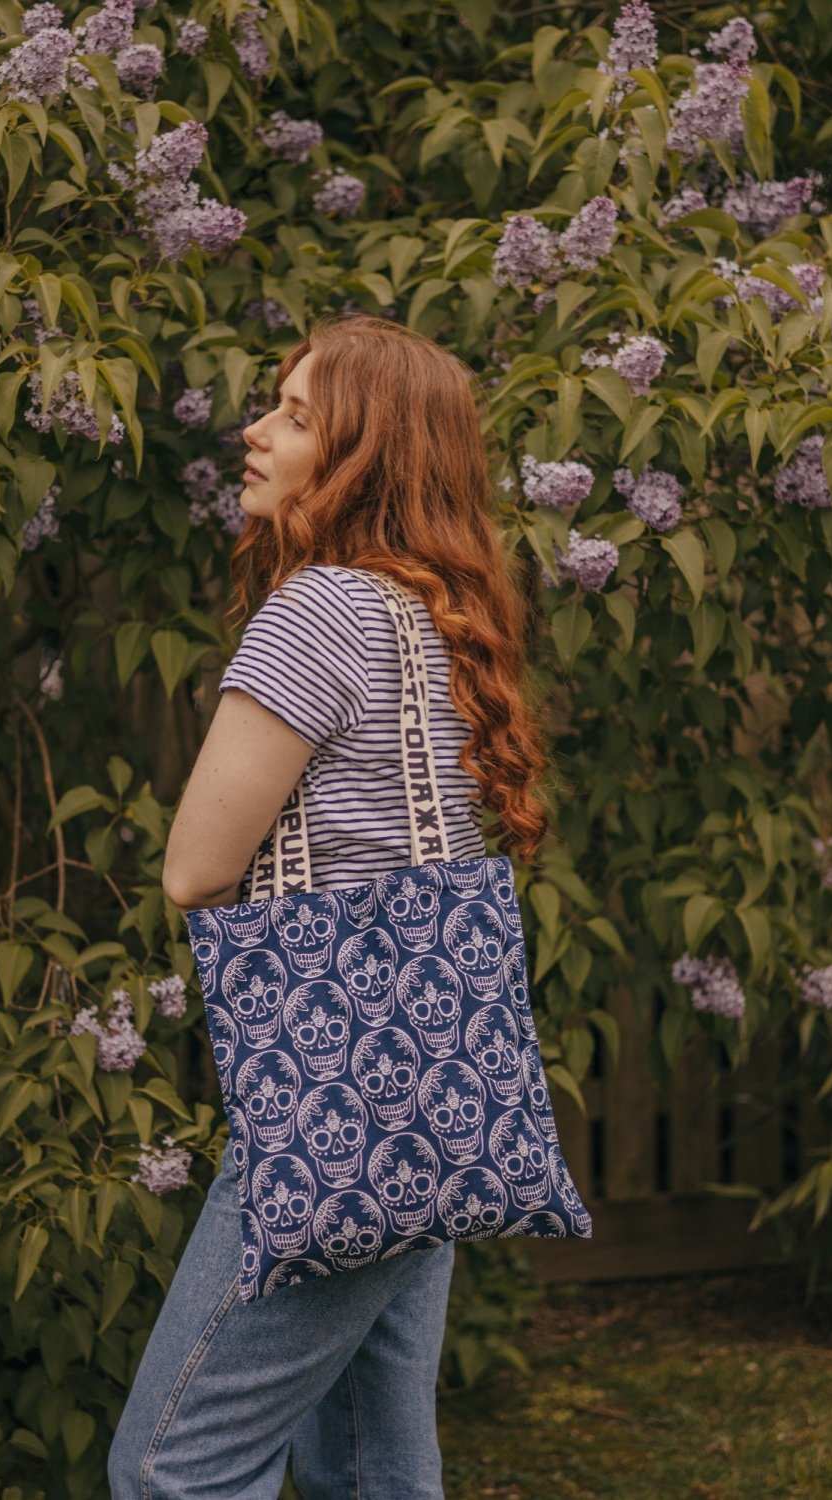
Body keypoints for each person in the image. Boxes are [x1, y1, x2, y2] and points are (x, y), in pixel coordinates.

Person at [108, 315, 550, 1500]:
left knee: (171, 1468)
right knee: (373, 1463)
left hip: (332, 1101)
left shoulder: (314, 616)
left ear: (364, 459)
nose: (253, 432)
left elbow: (193, 870)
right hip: (436, 1091)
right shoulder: (443, 621)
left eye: (296, 418)